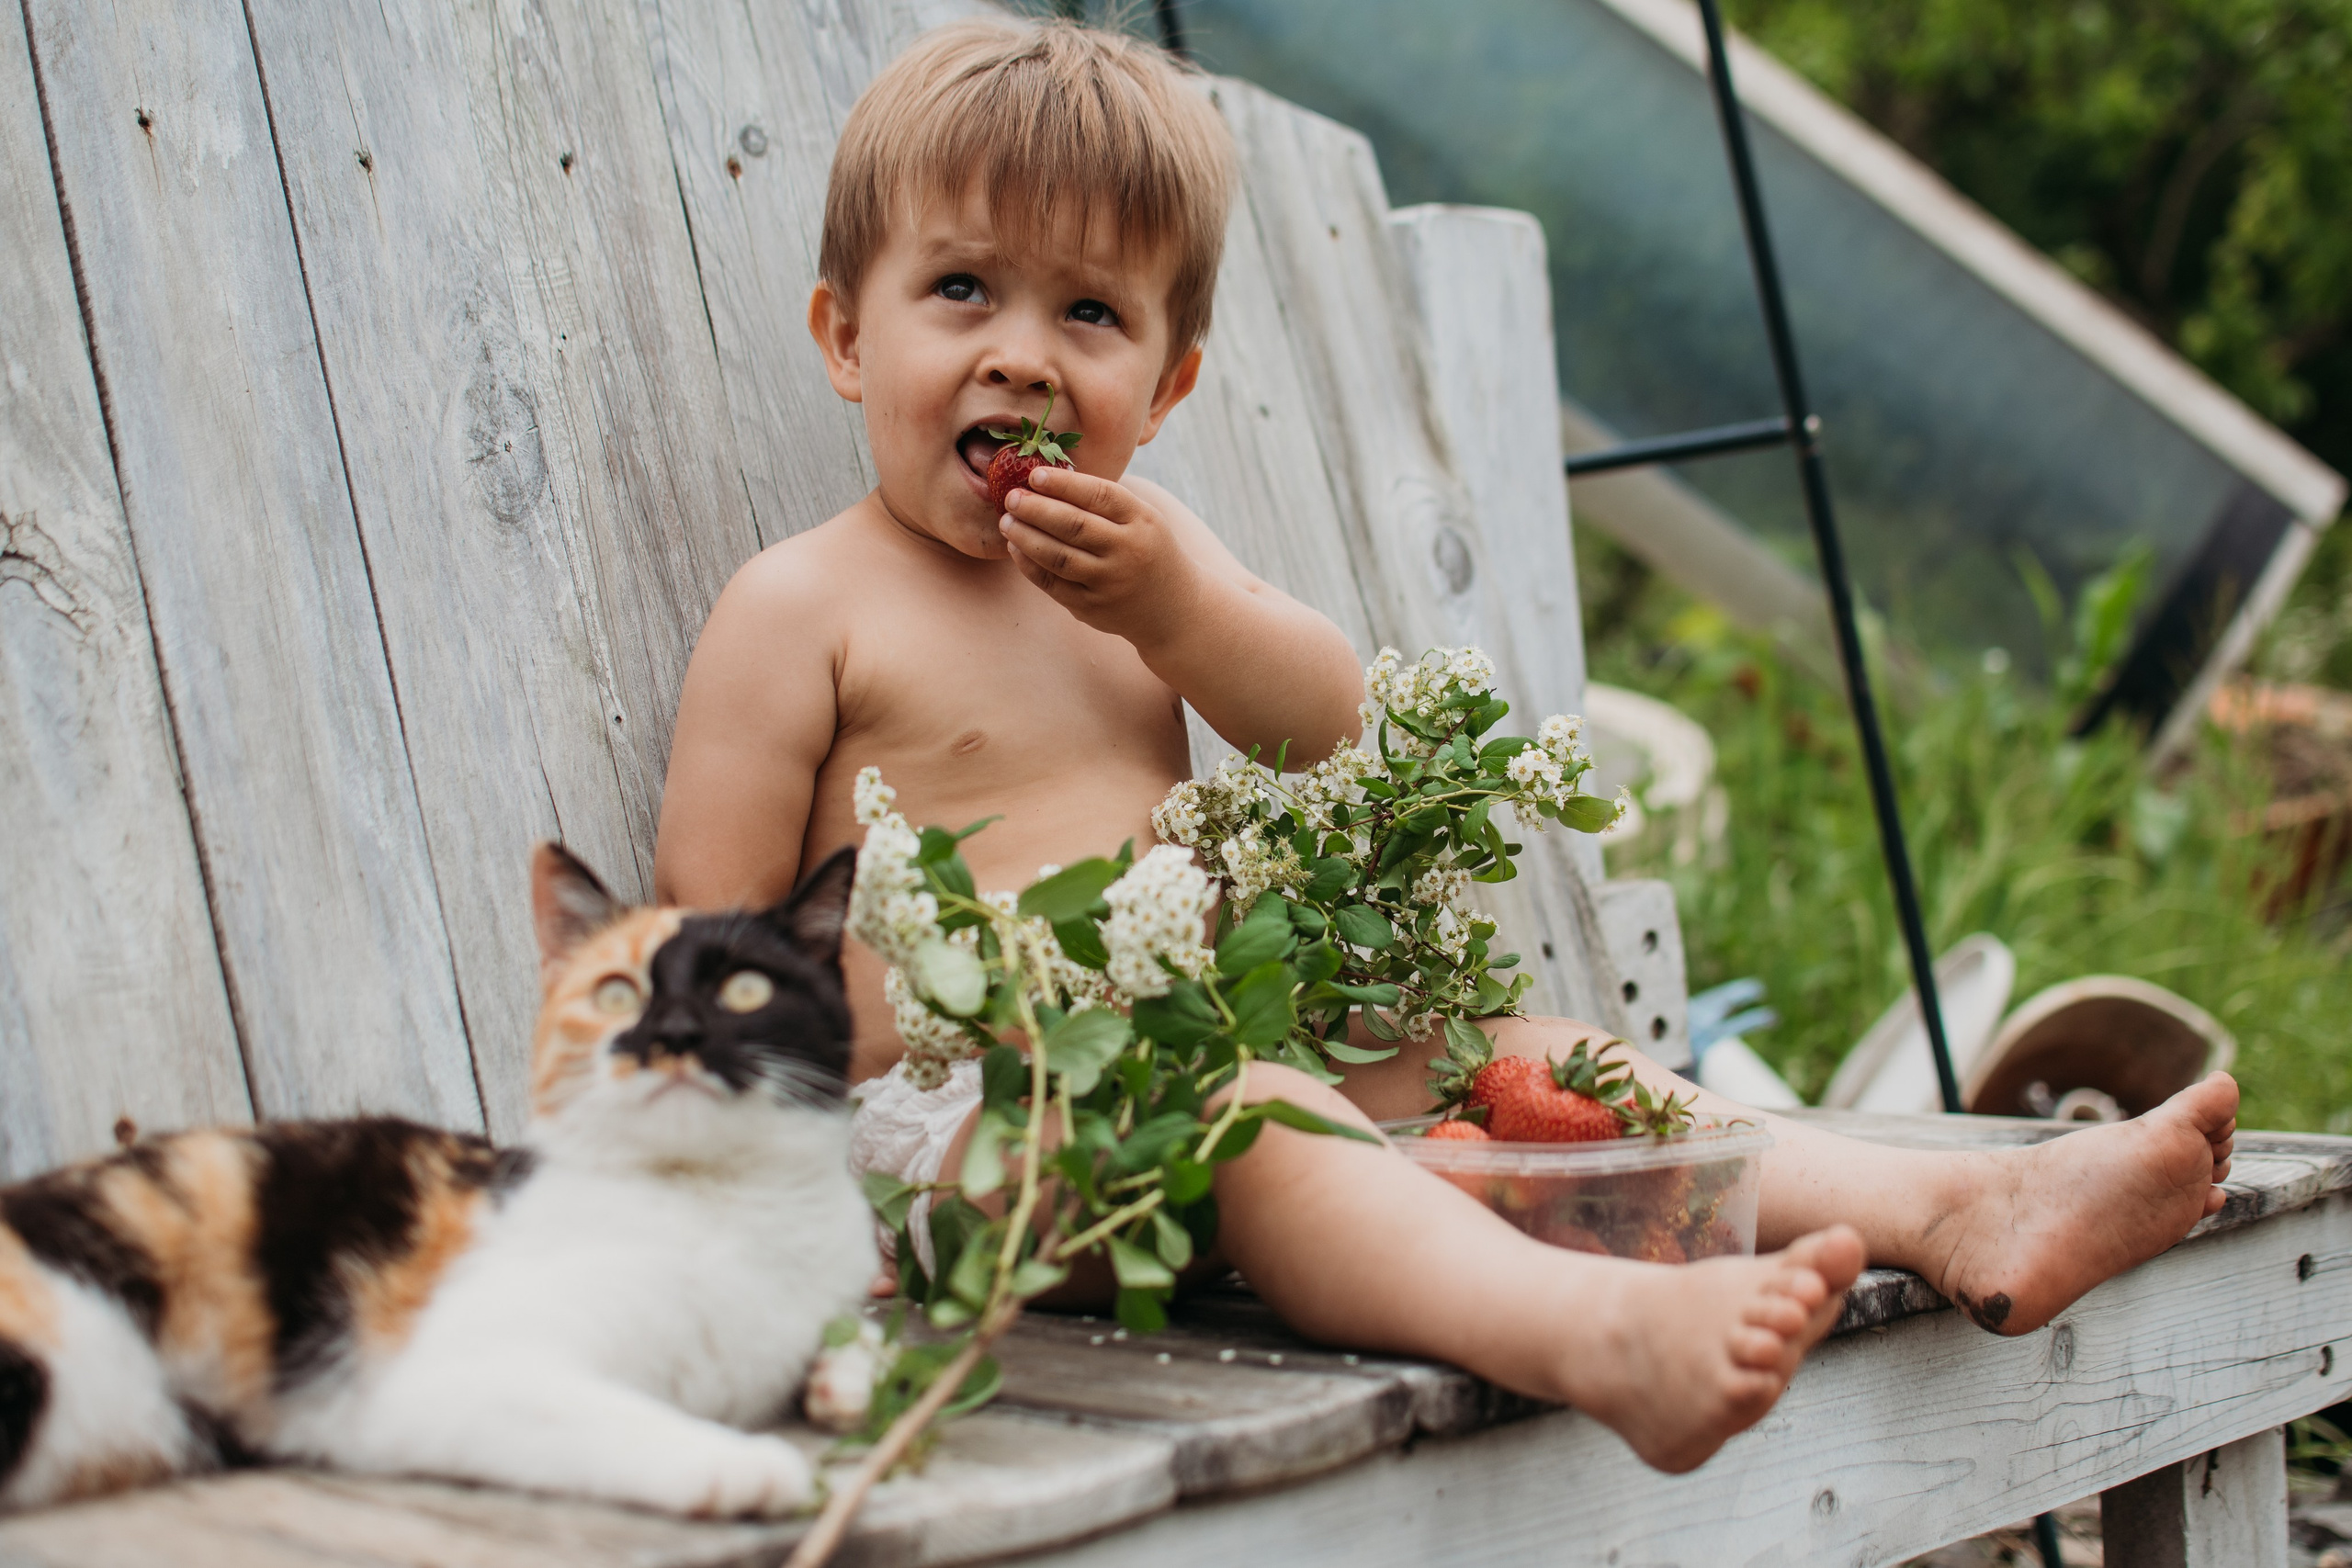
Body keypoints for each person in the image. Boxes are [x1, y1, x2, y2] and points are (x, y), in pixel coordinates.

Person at [652, 16, 2238, 1473]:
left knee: (1505, 1052)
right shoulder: (805, 608)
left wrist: (1182, 608)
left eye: (1090, 312)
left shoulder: (1148, 571)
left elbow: (1323, 721)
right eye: (961, 293)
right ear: (846, 338)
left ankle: (1958, 1201)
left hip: (1201, 1057)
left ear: (1170, 379)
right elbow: (698, 948)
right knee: (1259, 1109)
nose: (1022, 354)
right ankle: (1597, 1334)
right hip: (951, 1144)